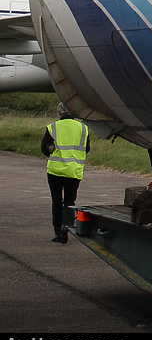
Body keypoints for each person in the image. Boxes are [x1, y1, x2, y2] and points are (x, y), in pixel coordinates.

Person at [41, 102, 90, 244]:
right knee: (69, 201)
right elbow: (86, 148)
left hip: (55, 170)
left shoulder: (53, 127)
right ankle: (66, 227)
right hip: (74, 171)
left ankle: (57, 231)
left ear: (59, 113)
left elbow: (44, 149)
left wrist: (53, 149)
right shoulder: (83, 128)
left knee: (56, 201)